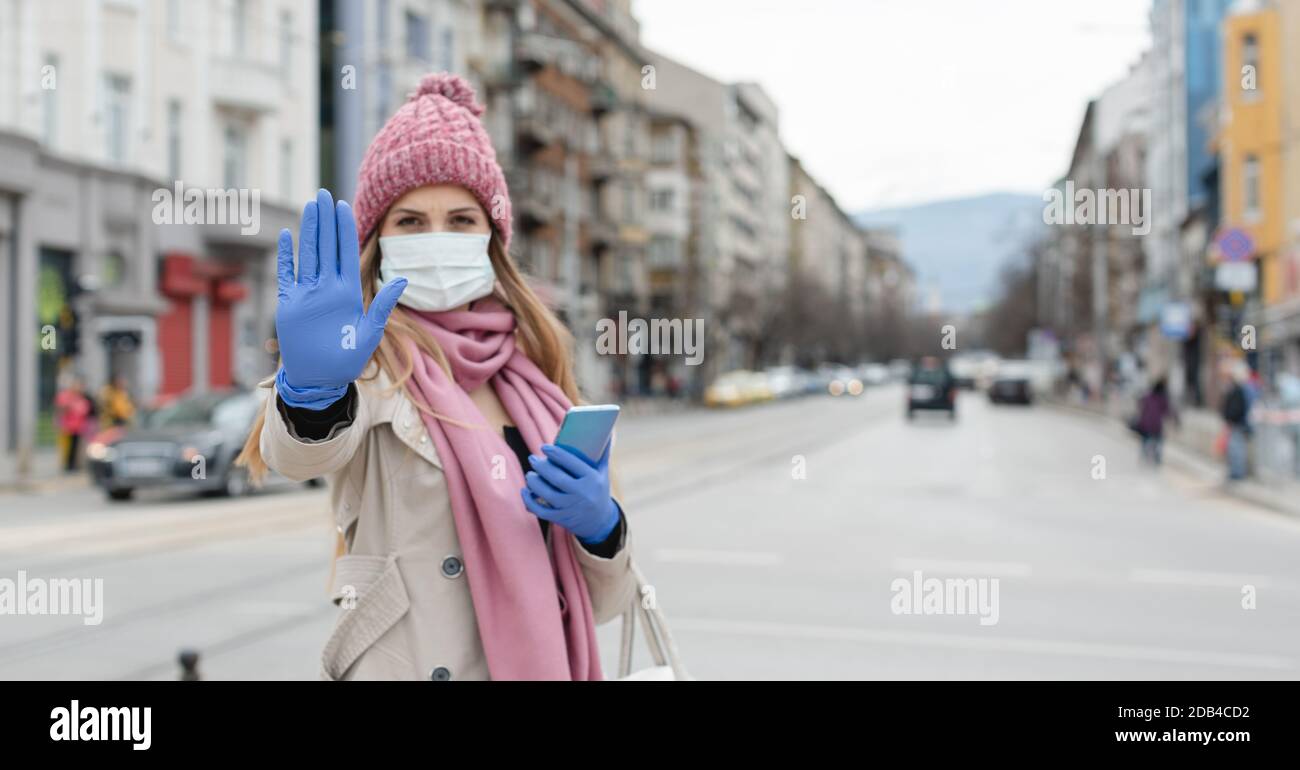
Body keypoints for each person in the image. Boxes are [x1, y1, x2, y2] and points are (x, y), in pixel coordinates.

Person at [236, 73, 636, 681]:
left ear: (492, 237)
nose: (437, 238)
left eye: (460, 218)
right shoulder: (367, 364)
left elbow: (603, 604)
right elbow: (298, 458)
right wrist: (313, 391)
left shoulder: (536, 375)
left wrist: (602, 530)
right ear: (379, 239)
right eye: (411, 222)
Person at [1220, 360, 1252, 481]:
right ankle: (1235, 472)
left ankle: (1237, 473)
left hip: (1238, 424)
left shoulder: (1239, 390)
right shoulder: (1236, 389)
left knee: (1237, 449)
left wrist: (1230, 418)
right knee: (1234, 449)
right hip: (1235, 424)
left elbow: (1237, 408)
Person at [1133, 378, 1177, 465]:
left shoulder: (1148, 396)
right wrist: (1175, 420)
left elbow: (1140, 404)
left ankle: (1144, 455)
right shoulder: (1162, 399)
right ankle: (1157, 457)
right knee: (1159, 441)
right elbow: (1167, 411)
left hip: (1145, 423)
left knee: (1145, 440)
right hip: (1157, 425)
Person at [53, 375, 92, 472]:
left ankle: (74, 465)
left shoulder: (81, 398)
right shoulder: (66, 396)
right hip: (67, 427)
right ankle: (67, 465)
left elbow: (86, 411)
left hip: (78, 427)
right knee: (67, 447)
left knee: (76, 447)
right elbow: (61, 409)